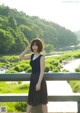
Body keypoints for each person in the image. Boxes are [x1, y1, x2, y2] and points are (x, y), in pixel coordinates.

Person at [20, 38, 48, 113]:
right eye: (33, 45)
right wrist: (26, 49)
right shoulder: (32, 56)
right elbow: (21, 57)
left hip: (39, 80)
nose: (34, 47)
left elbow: (42, 71)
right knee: (31, 99)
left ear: (39, 46)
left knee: (43, 101)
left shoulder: (42, 57)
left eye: (36, 45)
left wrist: (39, 83)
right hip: (33, 79)